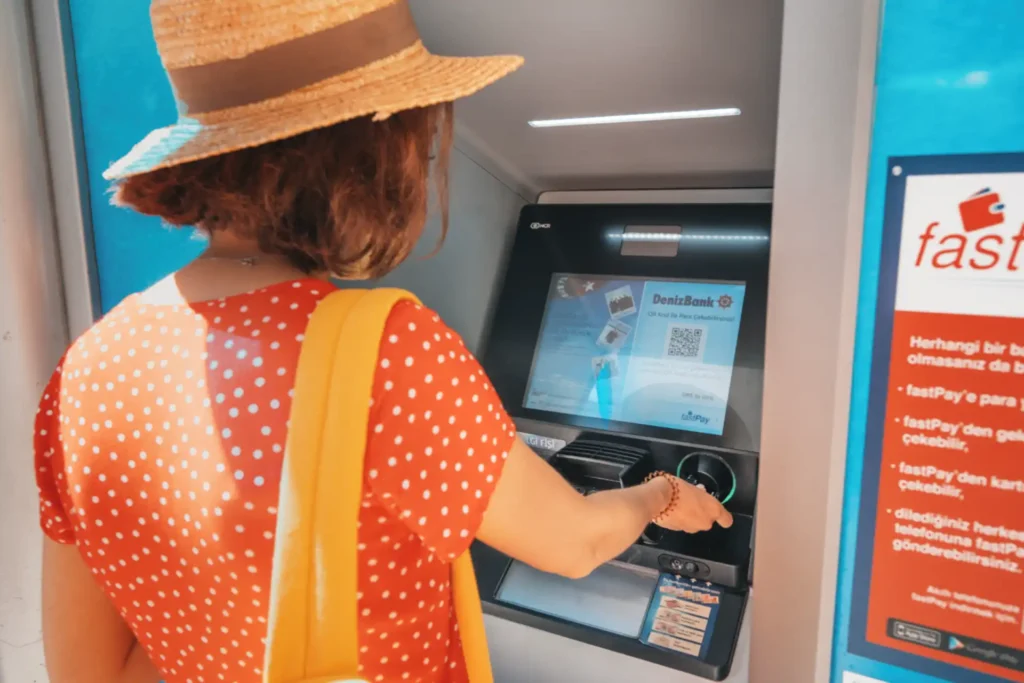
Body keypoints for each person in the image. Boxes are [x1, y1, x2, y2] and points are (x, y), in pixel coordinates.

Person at [34, 1, 733, 682]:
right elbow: (575, 542)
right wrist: (661, 494)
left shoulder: (86, 372)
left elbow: (89, 670)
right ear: (375, 151)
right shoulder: (384, 353)